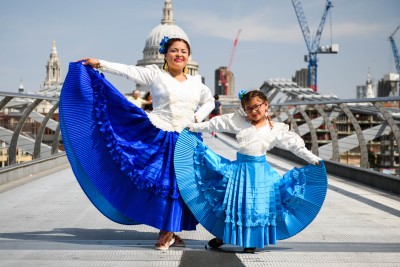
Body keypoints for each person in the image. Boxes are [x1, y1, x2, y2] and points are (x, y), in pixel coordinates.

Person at [59, 36, 215, 250]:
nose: (179, 54)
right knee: (165, 182)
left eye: (183, 51)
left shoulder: (197, 83)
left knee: (182, 184)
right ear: (165, 54)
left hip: (188, 138)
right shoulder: (155, 74)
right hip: (161, 133)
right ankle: (167, 230)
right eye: (174, 50)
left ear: (189, 57)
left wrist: (199, 116)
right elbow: (128, 71)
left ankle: (170, 228)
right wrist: (100, 63)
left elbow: (210, 101)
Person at [173, 89, 327, 253]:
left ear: (266, 105)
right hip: (239, 170)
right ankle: (224, 235)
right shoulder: (238, 121)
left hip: (261, 173)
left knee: (257, 207)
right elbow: (215, 124)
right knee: (232, 204)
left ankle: (251, 240)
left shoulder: (275, 129)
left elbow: (295, 146)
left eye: (257, 106)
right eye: (249, 108)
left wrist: (312, 159)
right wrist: (194, 127)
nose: (254, 111)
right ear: (244, 109)